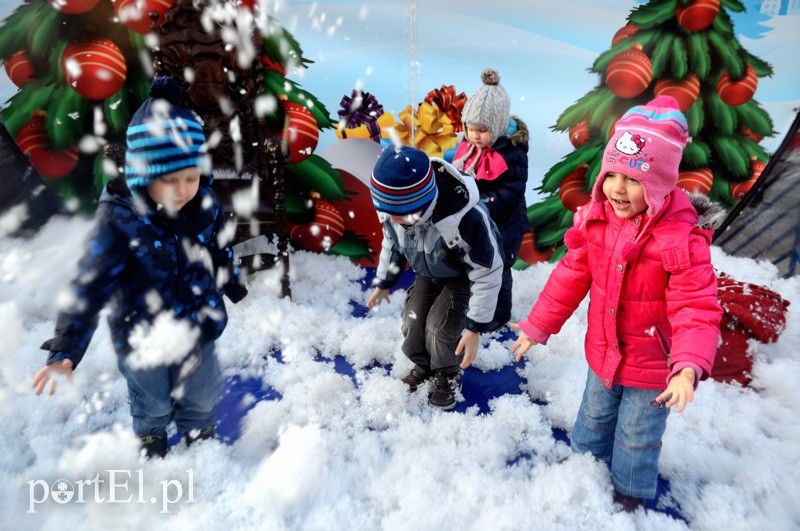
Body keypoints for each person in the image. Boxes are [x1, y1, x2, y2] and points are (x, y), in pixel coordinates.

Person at [510, 96, 724, 510]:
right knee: (593, 416)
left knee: (637, 433)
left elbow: (695, 307)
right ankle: (583, 468)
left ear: (661, 183)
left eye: (633, 179)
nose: (618, 189)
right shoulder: (598, 219)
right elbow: (570, 276)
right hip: (604, 353)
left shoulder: (680, 239)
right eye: (612, 175)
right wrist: (538, 325)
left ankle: (629, 492)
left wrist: (686, 368)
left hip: (653, 366)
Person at [31, 76, 248, 458]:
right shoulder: (118, 220)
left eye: (191, 177)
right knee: (154, 400)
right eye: (169, 180)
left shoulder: (206, 204)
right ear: (145, 175)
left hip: (198, 323)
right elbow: (90, 285)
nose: (183, 190)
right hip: (141, 335)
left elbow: (217, 247)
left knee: (200, 391)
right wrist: (66, 347)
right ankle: (151, 434)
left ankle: (199, 430)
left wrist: (229, 280)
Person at [366, 145, 504, 410]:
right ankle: (425, 363)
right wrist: (384, 281)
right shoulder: (394, 214)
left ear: (421, 203)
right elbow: (393, 244)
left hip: (463, 278)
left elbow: (488, 271)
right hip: (428, 273)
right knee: (412, 319)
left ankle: (448, 372)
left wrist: (475, 327)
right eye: (387, 212)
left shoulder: (465, 219)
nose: (391, 220)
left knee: (440, 328)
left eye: (399, 214)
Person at [452, 68, 530, 330]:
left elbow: (512, 191)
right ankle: (477, 308)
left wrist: (482, 202)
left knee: (500, 270)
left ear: (496, 127)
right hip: (479, 222)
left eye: (482, 130)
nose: (474, 135)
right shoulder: (470, 148)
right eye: (470, 129)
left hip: (505, 226)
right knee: (479, 266)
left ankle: (498, 315)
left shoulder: (512, 153)